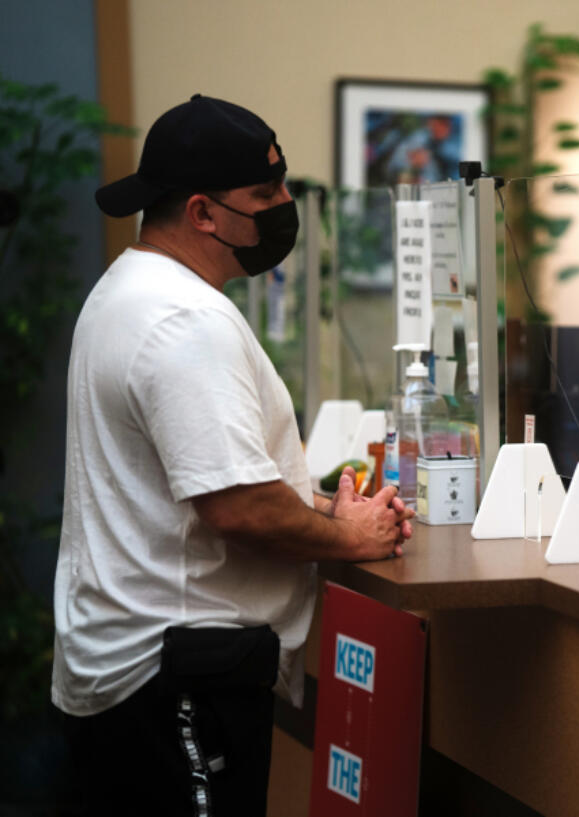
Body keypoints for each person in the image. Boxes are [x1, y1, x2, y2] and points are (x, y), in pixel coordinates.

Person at [52, 94, 413, 816]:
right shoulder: (185, 321)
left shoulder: (129, 289)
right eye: (264, 193)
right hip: (174, 677)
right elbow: (238, 508)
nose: (285, 205)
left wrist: (318, 503)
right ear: (203, 212)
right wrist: (350, 534)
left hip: (136, 666)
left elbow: (202, 477)